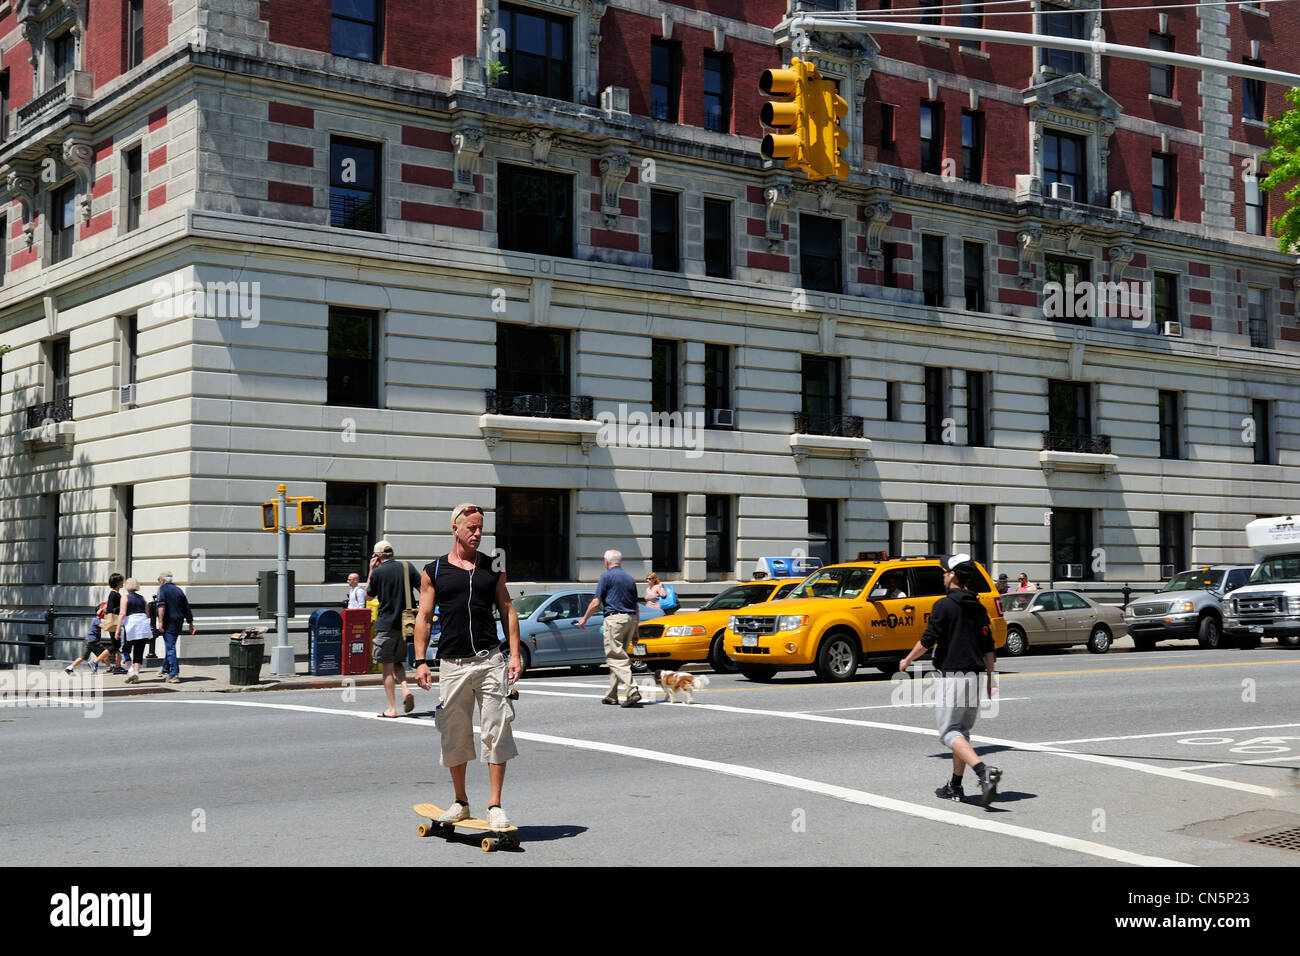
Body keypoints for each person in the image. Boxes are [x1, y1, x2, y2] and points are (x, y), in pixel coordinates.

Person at [413, 503, 522, 830]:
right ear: (455, 529)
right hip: (452, 663)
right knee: (454, 733)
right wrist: (420, 661)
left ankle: (495, 805)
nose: (477, 534)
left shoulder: (493, 567)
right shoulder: (433, 570)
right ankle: (460, 801)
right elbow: (423, 617)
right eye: (471, 528)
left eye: (480, 528)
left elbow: (507, 610)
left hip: (490, 661)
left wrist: (514, 655)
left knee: (497, 729)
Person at [897, 554, 1002, 807]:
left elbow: (928, 639)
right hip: (975, 676)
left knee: (948, 733)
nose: (943, 575)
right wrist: (990, 678)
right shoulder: (978, 607)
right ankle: (955, 785)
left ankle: (983, 771)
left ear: (953, 575)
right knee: (961, 732)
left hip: (953, 676)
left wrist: (908, 660)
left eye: (945, 572)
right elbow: (988, 646)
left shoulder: (944, 605)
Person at [577, 549, 641, 708]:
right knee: (619, 657)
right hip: (630, 619)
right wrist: (636, 630)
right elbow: (636, 606)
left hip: (615, 619)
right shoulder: (630, 578)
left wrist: (584, 619)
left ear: (607, 562)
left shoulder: (606, 576)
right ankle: (612, 695)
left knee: (615, 657)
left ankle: (632, 689)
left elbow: (596, 601)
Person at [366, 540, 419, 717]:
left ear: (378, 556)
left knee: (387, 667)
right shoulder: (407, 567)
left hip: (386, 625)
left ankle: (392, 708)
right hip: (406, 626)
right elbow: (423, 587)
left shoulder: (378, 572)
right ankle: (405, 689)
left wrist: (371, 570)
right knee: (399, 661)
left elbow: (368, 595)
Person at [156, 571, 195, 684]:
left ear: (162, 580)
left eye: (158, 580)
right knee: (171, 644)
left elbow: (161, 606)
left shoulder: (162, 589)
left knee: (170, 647)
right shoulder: (178, 590)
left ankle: (174, 674)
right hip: (179, 621)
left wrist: (160, 621)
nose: (158, 582)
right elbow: (186, 607)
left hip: (169, 622)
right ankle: (165, 669)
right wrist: (190, 623)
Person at [119, 578, 152, 684]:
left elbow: (122, 613)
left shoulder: (125, 598)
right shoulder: (143, 599)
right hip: (143, 627)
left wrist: (117, 628)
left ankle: (131, 670)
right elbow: (147, 614)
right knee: (139, 652)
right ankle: (136, 674)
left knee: (124, 649)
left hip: (130, 626)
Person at [66, 604, 113, 675]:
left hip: (88, 641)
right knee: (104, 653)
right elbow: (104, 627)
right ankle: (109, 668)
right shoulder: (97, 620)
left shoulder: (97, 620)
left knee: (84, 657)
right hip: (93, 641)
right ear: (100, 613)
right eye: (104, 612)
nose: (105, 613)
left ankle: (70, 667)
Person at [104, 573, 127, 675]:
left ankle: (118, 666)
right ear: (118, 583)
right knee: (115, 646)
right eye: (122, 581)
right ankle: (94, 662)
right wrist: (123, 607)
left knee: (117, 646)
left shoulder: (114, 594)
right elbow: (111, 609)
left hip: (115, 622)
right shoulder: (114, 594)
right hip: (115, 622)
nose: (123, 583)